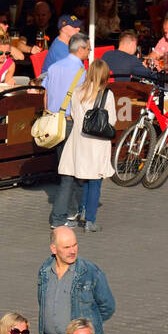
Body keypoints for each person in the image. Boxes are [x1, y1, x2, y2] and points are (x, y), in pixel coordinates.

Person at [56, 58, 116, 233]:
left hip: (79, 140)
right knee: (95, 182)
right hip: (97, 143)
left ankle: (81, 212)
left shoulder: (76, 91)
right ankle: (90, 220)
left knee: (83, 179)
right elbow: (111, 120)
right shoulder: (107, 94)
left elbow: (74, 115)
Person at [37, 227, 116, 334]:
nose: (73, 251)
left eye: (74, 245)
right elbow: (43, 302)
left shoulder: (90, 272)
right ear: (54, 249)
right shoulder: (45, 270)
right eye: (67, 247)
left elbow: (108, 306)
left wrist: (89, 324)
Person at [43, 34, 89, 229]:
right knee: (69, 173)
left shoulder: (54, 67)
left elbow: (45, 95)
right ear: (80, 50)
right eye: (88, 49)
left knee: (66, 168)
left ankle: (71, 209)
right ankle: (60, 217)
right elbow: (83, 101)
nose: (89, 52)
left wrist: (48, 114)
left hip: (53, 121)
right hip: (70, 122)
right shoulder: (80, 71)